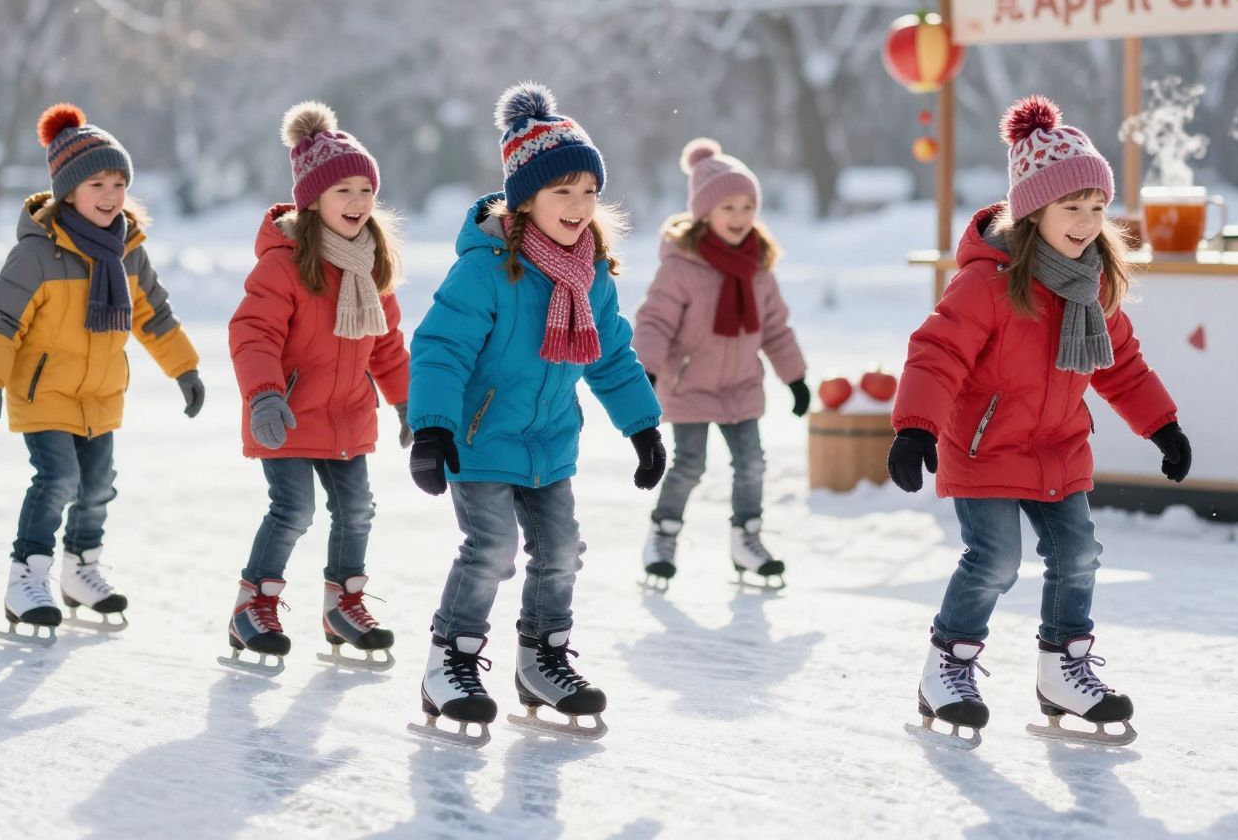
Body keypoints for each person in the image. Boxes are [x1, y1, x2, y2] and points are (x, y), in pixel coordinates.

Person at [888, 96, 1191, 744]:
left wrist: (1162, 426)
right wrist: (915, 427)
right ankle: (947, 664)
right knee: (996, 560)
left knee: (1078, 556)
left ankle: (1063, 669)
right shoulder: (988, 284)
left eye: (1095, 207)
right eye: (1069, 208)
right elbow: (936, 354)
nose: (1085, 223)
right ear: (1032, 210)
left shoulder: (1092, 284)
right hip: (985, 446)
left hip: (1057, 445)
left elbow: (1121, 366)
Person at [405, 83, 665, 742]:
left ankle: (542, 658)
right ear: (526, 200)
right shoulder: (487, 271)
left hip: (549, 443)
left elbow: (610, 356)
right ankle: (450, 662)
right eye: (562, 193)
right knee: (491, 550)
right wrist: (431, 427)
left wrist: (642, 425)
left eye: (587, 192)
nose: (578, 206)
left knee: (559, 553)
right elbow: (440, 348)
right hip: (481, 438)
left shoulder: (590, 276)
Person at [0, 103, 204, 637]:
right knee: (58, 480)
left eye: (119, 182)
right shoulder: (37, 255)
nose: (110, 194)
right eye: (97, 181)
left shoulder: (127, 251)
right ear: (68, 191)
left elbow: (154, 314)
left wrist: (183, 369)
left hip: (99, 395)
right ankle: (26, 578)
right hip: (44, 391)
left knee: (98, 486)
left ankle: (81, 571)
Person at [225, 102, 412, 667]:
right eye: (342, 192)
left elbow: (386, 343)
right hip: (285, 412)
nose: (357, 203)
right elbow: (251, 334)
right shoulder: (283, 265)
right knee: (294, 510)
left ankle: (343, 604)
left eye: (364, 190)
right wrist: (264, 394)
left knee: (358, 510)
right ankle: (253, 604)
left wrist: (409, 403)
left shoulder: (370, 265)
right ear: (312, 200)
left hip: (347, 414)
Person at [632, 138, 807, 588]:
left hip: (741, 386)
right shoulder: (681, 267)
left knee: (752, 463)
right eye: (727, 206)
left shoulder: (759, 266)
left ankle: (746, 539)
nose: (739, 216)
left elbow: (775, 328)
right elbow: (653, 323)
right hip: (689, 384)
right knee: (689, 464)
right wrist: (646, 371)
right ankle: (663, 532)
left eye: (747, 205)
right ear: (704, 211)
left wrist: (796, 377)